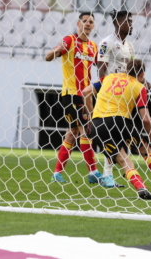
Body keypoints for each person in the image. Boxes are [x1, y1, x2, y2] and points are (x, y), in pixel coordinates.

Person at [45, 12, 112, 187]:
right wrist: (55, 52)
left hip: (87, 95)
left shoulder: (94, 46)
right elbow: (48, 56)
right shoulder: (69, 40)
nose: (88, 24)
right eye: (85, 21)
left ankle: (57, 173)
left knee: (72, 133)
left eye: (91, 22)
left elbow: (101, 68)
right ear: (78, 24)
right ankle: (93, 172)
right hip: (72, 93)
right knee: (86, 130)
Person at [83, 59, 151, 200]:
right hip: (120, 121)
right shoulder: (139, 87)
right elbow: (145, 118)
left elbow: (85, 92)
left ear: (126, 69)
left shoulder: (108, 77)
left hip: (98, 124)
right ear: (142, 74)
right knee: (145, 149)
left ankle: (141, 187)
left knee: (123, 160)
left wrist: (91, 115)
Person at [97, 10, 148, 186]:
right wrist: (105, 87)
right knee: (110, 133)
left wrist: (144, 82)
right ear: (118, 23)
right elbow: (101, 68)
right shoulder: (106, 42)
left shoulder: (130, 46)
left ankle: (108, 173)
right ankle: (107, 174)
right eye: (128, 21)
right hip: (111, 92)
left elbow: (132, 69)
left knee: (119, 134)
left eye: (132, 21)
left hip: (125, 94)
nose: (131, 24)